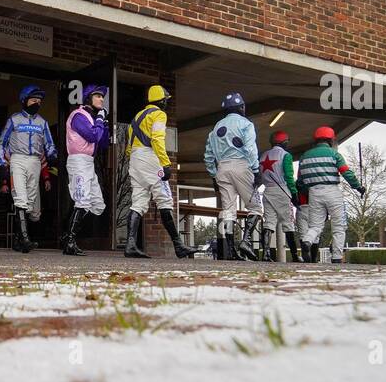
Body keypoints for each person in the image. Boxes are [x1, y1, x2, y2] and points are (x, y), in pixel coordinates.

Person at [124, 85, 196, 258]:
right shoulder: (159, 114)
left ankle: (130, 245)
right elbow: (157, 139)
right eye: (166, 100)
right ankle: (179, 246)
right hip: (150, 157)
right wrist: (165, 163)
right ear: (162, 100)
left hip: (135, 159)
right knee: (164, 200)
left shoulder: (136, 117)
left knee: (139, 203)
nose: (166, 103)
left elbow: (128, 148)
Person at [0, 85, 56, 253]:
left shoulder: (43, 122)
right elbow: (1, 142)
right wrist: (2, 164)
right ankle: (25, 238)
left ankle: (18, 240)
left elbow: (50, 144)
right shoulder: (14, 120)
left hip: (35, 162)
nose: (37, 103)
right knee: (21, 198)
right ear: (24, 101)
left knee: (29, 203)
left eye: (39, 101)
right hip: (18, 160)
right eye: (33, 100)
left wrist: (52, 154)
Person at [203, 92, 258, 260]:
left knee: (228, 211)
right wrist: (256, 169)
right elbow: (250, 148)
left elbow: (208, 157)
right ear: (241, 107)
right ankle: (246, 241)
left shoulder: (215, 129)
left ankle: (231, 251)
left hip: (222, 169)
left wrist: (214, 174)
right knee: (255, 207)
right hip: (242, 165)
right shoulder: (246, 124)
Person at [298, 126, 365, 263]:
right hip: (332, 192)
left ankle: (307, 240)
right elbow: (346, 172)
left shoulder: (304, 156)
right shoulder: (334, 154)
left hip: (314, 193)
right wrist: (358, 187)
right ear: (331, 140)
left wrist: (306, 194)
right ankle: (336, 257)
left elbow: (300, 181)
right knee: (339, 226)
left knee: (315, 226)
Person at [62, 84, 110, 256]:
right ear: (89, 98)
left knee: (98, 205)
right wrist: (99, 121)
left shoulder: (94, 117)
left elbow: (103, 142)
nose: (102, 99)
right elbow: (91, 136)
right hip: (78, 161)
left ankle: (67, 234)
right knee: (82, 201)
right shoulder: (78, 115)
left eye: (102, 97)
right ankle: (70, 242)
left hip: (89, 163)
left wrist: (103, 123)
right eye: (98, 96)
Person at [259, 130, 302, 262]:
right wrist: (294, 194)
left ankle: (265, 254)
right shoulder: (286, 155)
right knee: (288, 224)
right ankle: (295, 255)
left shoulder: (263, 155)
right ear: (284, 142)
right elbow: (289, 176)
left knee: (269, 223)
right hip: (282, 190)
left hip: (267, 191)